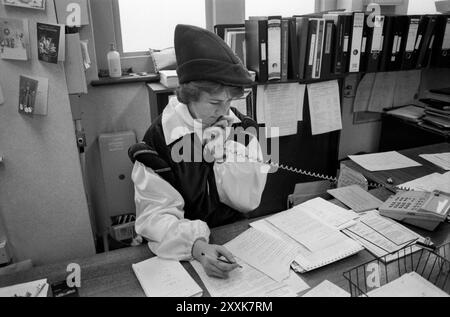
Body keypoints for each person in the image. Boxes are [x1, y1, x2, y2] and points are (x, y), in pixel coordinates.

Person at [129, 24, 269, 279]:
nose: (225, 111)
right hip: (181, 252)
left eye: (230, 101)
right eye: (215, 102)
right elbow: (155, 216)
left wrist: (226, 153)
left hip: (237, 241)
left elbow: (249, 200)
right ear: (188, 96)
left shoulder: (241, 130)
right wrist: (198, 247)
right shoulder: (157, 144)